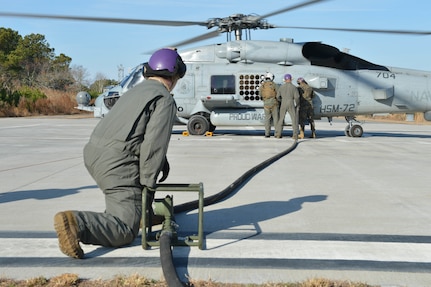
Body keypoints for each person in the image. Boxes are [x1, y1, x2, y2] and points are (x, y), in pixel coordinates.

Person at [53, 48, 187, 259]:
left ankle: (139, 213)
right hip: (117, 164)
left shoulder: (136, 90)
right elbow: (153, 147)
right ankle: (76, 224)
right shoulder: (164, 99)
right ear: (176, 74)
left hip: (94, 154)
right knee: (125, 229)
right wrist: (149, 184)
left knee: (130, 204)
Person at [275, 73, 300, 139]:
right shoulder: (294, 87)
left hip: (283, 102)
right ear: (291, 79)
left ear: (285, 80)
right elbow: (297, 97)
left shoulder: (281, 87)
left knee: (281, 119)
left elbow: (277, 96)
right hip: (291, 102)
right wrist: (297, 104)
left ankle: (278, 134)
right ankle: (295, 135)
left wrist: (281, 101)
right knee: (294, 119)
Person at [259, 72, 279, 138]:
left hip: (266, 104)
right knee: (276, 119)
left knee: (267, 119)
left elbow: (260, 94)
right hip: (274, 103)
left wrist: (265, 100)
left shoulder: (263, 85)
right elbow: (278, 93)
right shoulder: (274, 85)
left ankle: (267, 133)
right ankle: (276, 133)